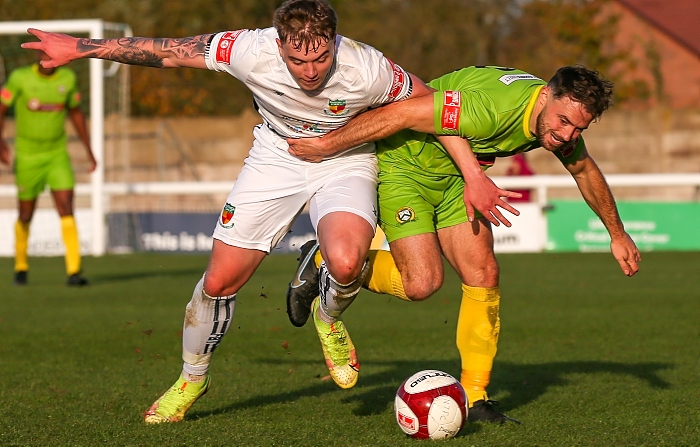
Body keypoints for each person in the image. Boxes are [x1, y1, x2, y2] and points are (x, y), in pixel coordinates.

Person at [22, 0, 510, 424]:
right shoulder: (248, 50)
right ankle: (193, 379)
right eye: (298, 60)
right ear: (279, 47)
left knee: (344, 262)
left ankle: (329, 315)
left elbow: (437, 108)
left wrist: (472, 175)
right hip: (275, 158)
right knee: (219, 283)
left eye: (320, 56)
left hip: (345, 161)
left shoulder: (368, 66)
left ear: (334, 41)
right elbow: (168, 51)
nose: (311, 70)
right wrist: (80, 48)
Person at [286, 65, 641, 423]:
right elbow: (401, 111)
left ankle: (475, 397)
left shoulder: (553, 118)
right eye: (564, 122)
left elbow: (583, 169)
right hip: (406, 168)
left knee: (483, 273)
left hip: (457, 180)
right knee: (421, 284)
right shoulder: (493, 108)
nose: (568, 135)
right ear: (545, 95)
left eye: (579, 127)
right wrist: (326, 145)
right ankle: (324, 262)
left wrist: (617, 233)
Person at [0, 50, 95, 286]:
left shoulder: (67, 79)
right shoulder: (20, 78)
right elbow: (2, 108)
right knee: (26, 213)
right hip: (28, 157)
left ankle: (74, 271)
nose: (49, 59)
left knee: (66, 206)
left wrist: (89, 150)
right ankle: (21, 266)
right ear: (38, 55)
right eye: (45, 54)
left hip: (57, 155)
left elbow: (75, 113)